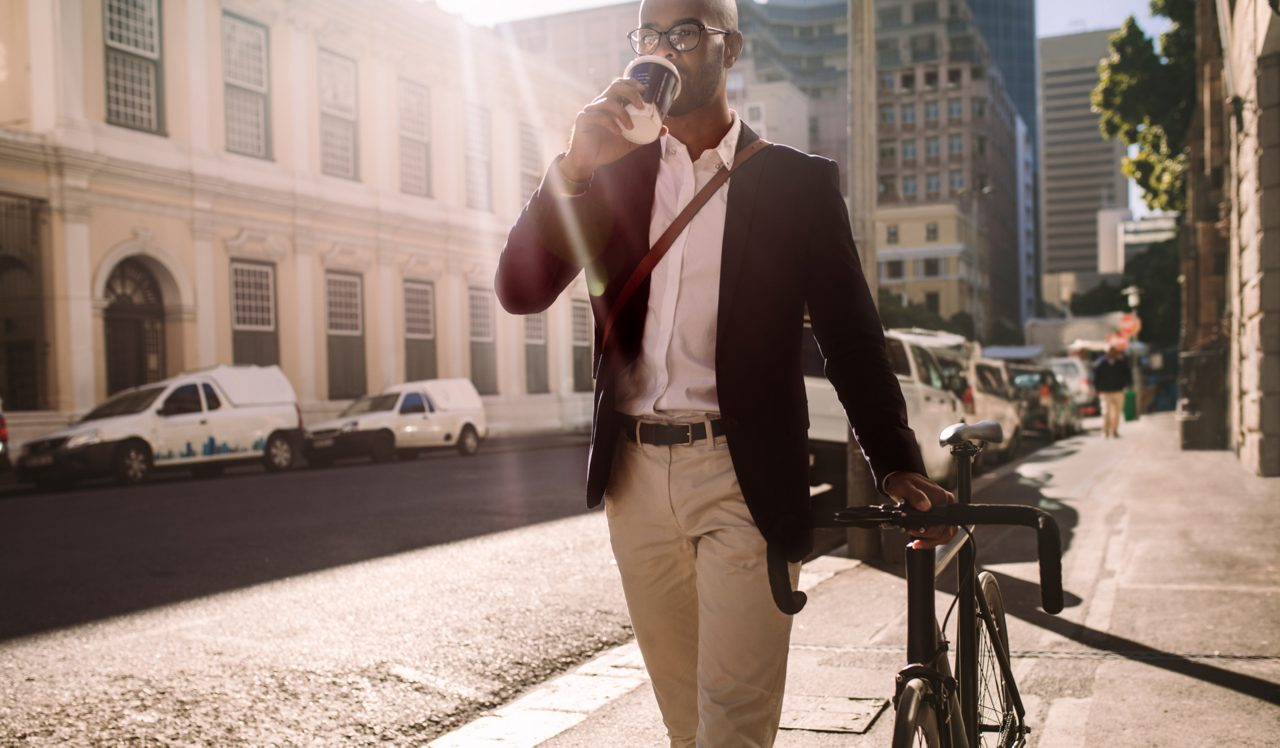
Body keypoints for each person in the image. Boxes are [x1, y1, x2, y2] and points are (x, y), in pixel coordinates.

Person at [495, 1, 954, 744]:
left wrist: (897, 462)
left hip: (743, 477)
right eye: (649, 35)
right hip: (634, 480)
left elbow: (851, 337)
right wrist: (574, 167)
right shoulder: (612, 175)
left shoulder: (797, 184)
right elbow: (521, 291)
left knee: (732, 728)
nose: (664, 50)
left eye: (685, 33)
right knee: (687, 728)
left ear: (730, 48)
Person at [1094, 345, 1132, 438]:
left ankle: (1114, 431)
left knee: (1117, 413)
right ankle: (1105, 431)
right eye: (1109, 352)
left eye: (1113, 352)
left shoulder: (1121, 363)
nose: (1111, 353)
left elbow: (1127, 375)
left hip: (1118, 391)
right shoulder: (1101, 364)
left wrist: (1128, 385)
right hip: (1105, 392)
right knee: (1106, 412)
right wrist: (1097, 389)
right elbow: (1096, 377)